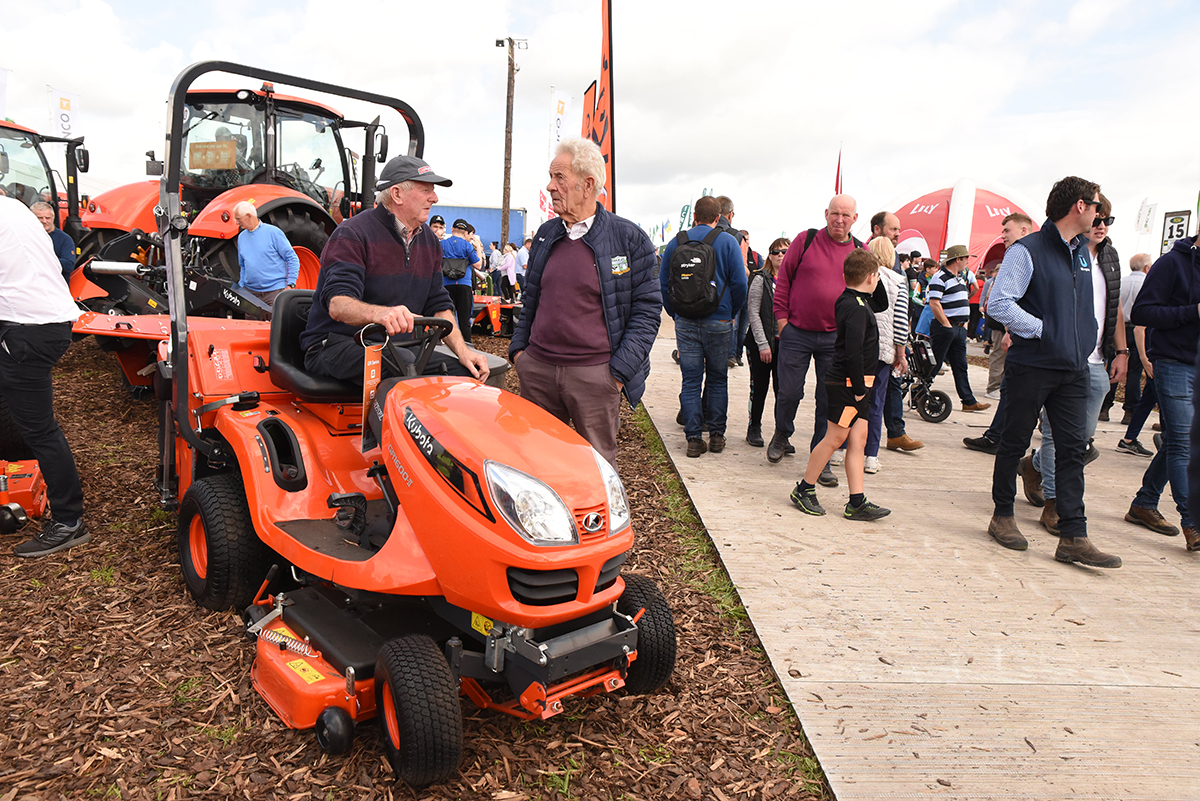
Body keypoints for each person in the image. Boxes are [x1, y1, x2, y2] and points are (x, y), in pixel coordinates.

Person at [985, 175, 1121, 568]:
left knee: (1072, 451)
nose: (1099, 214)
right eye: (1096, 206)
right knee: (1013, 441)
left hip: (1074, 368)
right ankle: (1003, 515)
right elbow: (1000, 304)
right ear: (1079, 206)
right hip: (1034, 365)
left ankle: (1074, 536)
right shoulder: (1027, 251)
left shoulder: (1082, 253)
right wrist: (1045, 330)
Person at [510, 137, 660, 468]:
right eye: (551, 177)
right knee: (537, 464)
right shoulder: (547, 235)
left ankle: (597, 522)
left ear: (588, 184)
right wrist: (520, 353)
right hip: (539, 372)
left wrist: (617, 373)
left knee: (596, 467)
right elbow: (531, 298)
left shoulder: (628, 238)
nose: (550, 186)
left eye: (559, 177)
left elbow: (647, 313)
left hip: (596, 376)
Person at [300, 155, 489, 384]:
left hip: (397, 348)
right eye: (426, 190)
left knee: (465, 376)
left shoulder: (429, 241)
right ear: (397, 194)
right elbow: (338, 304)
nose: (435, 197)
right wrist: (381, 314)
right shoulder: (352, 234)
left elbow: (438, 304)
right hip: (336, 344)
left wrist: (464, 352)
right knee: (402, 364)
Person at [1022, 194, 1127, 534]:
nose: (1100, 226)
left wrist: (1121, 352)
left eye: (1106, 221)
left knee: (1083, 439)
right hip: (1062, 357)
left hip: (1097, 361)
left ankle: (1035, 465)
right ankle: (1055, 504)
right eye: (1097, 219)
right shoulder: (1063, 252)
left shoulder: (1109, 258)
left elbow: (1116, 308)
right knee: (1059, 436)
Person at [0, 197, 88, 557]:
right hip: (44, 322)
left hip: (28, 330)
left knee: (40, 429)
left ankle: (69, 521)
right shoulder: (15, 207)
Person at [769, 195, 863, 488]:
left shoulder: (860, 251)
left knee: (828, 400)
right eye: (835, 213)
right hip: (796, 332)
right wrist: (782, 320)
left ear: (855, 219)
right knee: (789, 392)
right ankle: (782, 434)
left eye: (846, 215)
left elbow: (866, 294)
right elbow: (783, 279)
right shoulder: (805, 240)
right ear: (825, 214)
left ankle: (819, 458)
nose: (839, 219)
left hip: (835, 339)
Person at [789, 249, 891, 521]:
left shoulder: (856, 300)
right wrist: (859, 388)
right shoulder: (856, 308)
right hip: (849, 384)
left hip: (859, 384)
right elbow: (853, 352)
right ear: (871, 277)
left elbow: (881, 303)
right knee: (835, 438)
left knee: (858, 439)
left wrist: (873, 277)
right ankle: (804, 489)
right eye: (876, 277)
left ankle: (856, 501)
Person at [1127, 227, 1200, 550]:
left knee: (1175, 441)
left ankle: (1144, 502)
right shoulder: (1173, 263)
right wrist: (1193, 311)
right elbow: (1142, 312)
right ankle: (1192, 521)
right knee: (1186, 443)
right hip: (1174, 363)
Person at [661, 195, 747, 457]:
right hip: (719, 320)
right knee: (718, 378)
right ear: (718, 217)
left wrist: (675, 313)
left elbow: (664, 283)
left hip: (685, 321)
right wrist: (730, 313)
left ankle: (693, 439)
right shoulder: (728, 242)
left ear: (694, 216)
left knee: (690, 380)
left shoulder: (677, 242)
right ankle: (717, 435)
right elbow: (740, 284)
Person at [963, 213, 1035, 454]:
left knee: (1018, 391)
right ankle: (996, 436)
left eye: (1007, 230)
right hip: (1019, 334)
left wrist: (1016, 329)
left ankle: (1002, 440)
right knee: (1012, 390)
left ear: (1024, 231)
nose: (1003, 235)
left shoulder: (1026, 255)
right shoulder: (1024, 255)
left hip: (1029, 340)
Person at [863, 235, 910, 473]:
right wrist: (901, 353)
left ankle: (840, 449)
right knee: (876, 404)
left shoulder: (862, 276)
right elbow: (901, 322)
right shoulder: (899, 280)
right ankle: (870, 455)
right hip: (883, 351)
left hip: (860, 348)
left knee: (852, 399)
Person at [927, 245, 990, 413]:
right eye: (966, 259)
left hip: (959, 328)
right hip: (946, 327)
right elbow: (934, 303)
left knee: (960, 365)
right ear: (958, 259)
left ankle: (968, 401)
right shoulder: (939, 278)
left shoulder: (960, 278)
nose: (968, 262)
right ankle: (921, 391)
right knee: (935, 363)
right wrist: (947, 325)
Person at [745, 237, 787, 447]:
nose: (780, 255)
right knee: (759, 387)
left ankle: (781, 434)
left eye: (785, 252)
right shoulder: (761, 278)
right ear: (769, 255)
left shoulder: (794, 280)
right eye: (776, 251)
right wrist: (763, 344)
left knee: (784, 390)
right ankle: (754, 427)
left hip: (784, 345)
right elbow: (753, 312)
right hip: (760, 342)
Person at [231, 201, 299, 308]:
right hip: (251, 294)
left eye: (238, 219)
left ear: (249, 216)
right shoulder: (241, 237)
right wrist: (242, 285)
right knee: (248, 325)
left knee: (275, 324)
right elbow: (243, 265)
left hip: (274, 293)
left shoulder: (273, 233)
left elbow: (292, 258)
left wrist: (291, 284)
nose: (236, 222)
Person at [1118, 253, 1153, 425]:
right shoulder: (1148, 284)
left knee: (1114, 367)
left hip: (1120, 327)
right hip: (1139, 328)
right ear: (1147, 268)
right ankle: (1129, 410)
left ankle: (1104, 407)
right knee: (1134, 371)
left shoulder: (1121, 282)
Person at [441, 218, 482, 344]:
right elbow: (478, 265)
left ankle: (448, 344)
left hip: (446, 284)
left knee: (448, 317)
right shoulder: (467, 245)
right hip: (464, 284)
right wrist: (479, 249)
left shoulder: (442, 244)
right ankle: (467, 344)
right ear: (465, 232)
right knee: (464, 318)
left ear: (452, 229)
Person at [29, 202, 75, 281]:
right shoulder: (27, 236)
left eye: (47, 218)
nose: (44, 221)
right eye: (40, 218)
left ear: (53, 218)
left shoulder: (64, 239)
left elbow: (68, 265)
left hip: (55, 286)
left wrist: (41, 259)